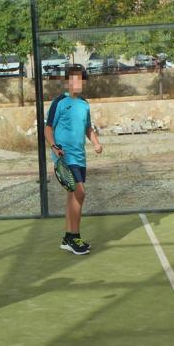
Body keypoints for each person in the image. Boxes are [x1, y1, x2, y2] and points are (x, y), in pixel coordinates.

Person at [44, 64, 102, 255]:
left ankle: (68, 238)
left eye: (80, 79)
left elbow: (87, 128)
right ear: (68, 82)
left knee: (73, 197)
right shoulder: (59, 102)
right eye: (73, 79)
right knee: (80, 193)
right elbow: (48, 128)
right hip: (64, 155)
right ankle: (75, 236)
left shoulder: (85, 104)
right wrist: (53, 145)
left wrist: (95, 143)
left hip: (80, 157)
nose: (77, 82)